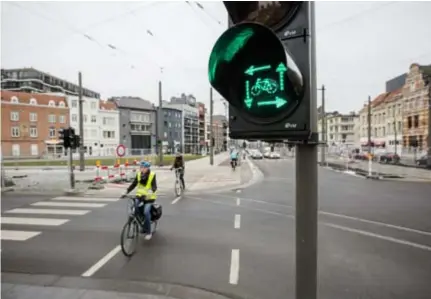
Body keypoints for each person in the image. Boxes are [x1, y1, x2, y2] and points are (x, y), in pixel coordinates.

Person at [122, 161, 157, 240]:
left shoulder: (152, 175)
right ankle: (142, 222)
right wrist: (126, 192)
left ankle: (148, 232)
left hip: (149, 198)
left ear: (147, 168)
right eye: (141, 167)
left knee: (146, 212)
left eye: (143, 167)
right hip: (139, 196)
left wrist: (150, 193)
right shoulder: (138, 175)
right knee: (135, 209)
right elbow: (133, 184)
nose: (142, 169)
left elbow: (154, 187)